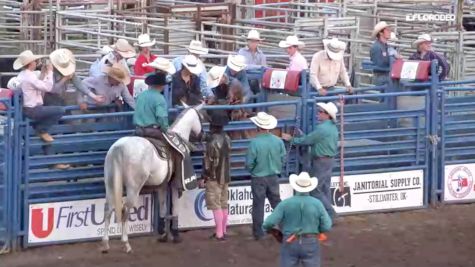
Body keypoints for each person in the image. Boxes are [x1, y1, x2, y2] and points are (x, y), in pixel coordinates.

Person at [282, 102, 338, 225]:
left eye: (320, 112)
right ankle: (326, 216)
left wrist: (291, 139)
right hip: (328, 160)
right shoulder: (332, 127)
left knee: (315, 189)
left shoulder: (323, 128)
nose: (318, 114)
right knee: (324, 188)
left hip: (321, 161)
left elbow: (308, 140)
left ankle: (330, 212)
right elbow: (312, 139)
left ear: (327, 115)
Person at [263, 172, 332, 267]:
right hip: (310, 241)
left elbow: (268, 223)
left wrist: (273, 231)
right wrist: (318, 230)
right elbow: (327, 226)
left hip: (290, 241)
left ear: (295, 187)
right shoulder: (317, 204)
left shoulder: (285, 204)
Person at [14, 50, 70, 170]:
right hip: (33, 110)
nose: (37, 62)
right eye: (35, 61)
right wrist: (49, 72)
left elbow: (38, 84)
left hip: (30, 109)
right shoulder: (29, 77)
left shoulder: (24, 75)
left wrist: (44, 73)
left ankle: (52, 161)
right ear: (31, 63)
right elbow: (48, 87)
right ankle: (42, 130)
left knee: (47, 134)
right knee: (60, 110)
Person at [246, 112, 286, 240]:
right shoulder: (278, 141)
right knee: (276, 203)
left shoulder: (254, 143)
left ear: (257, 126)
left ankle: (258, 233)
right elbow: (283, 157)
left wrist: (253, 170)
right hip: (273, 175)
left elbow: (249, 163)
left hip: (258, 177)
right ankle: (286, 227)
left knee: (258, 205)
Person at [199, 109, 232, 241]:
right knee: (223, 203)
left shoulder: (211, 143)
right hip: (226, 176)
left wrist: (204, 177)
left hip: (214, 177)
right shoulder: (228, 138)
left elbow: (208, 163)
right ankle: (223, 231)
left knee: (215, 204)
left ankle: (219, 234)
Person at [133, 72, 169, 138]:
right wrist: (165, 129)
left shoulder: (141, 95)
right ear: (162, 86)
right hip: (152, 131)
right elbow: (161, 117)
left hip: (138, 130)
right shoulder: (160, 98)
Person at [370, 21, 400, 86]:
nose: (390, 32)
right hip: (381, 77)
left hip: (385, 76)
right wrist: (392, 56)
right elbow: (379, 64)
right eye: (387, 30)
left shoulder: (385, 45)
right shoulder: (377, 47)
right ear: (381, 33)